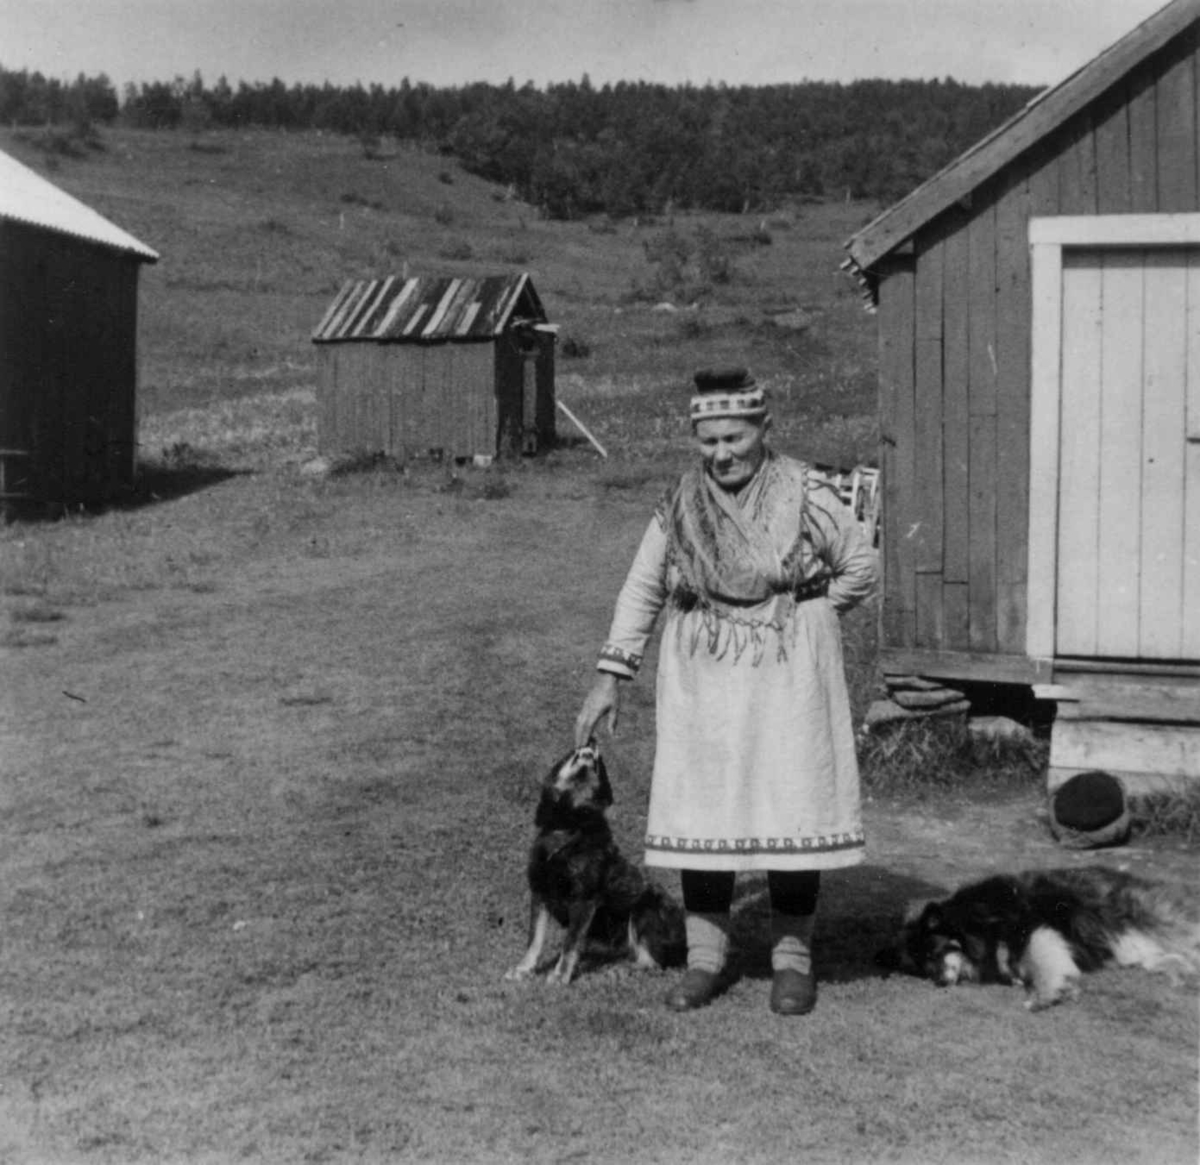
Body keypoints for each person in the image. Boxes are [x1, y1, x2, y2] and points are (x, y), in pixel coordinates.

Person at [575, 366, 877, 1015]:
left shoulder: (805, 490)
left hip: (786, 677)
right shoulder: (681, 501)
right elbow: (642, 588)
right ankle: (706, 960)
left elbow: (860, 563)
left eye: (734, 438)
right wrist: (610, 677)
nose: (721, 454)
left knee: (789, 803)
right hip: (703, 679)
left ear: (764, 429)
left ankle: (792, 962)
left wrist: (806, 615)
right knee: (702, 810)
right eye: (708, 441)